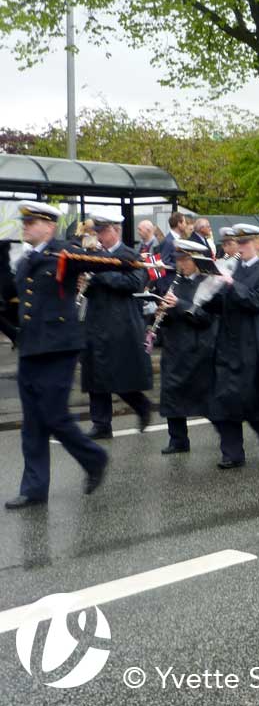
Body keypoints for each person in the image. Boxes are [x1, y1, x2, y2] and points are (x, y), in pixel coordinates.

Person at [5, 201, 109, 509]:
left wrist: (98, 246)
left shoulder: (64, 252)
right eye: (24, 223)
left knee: (54, 415)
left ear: (49, 226)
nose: (25, 227)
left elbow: (101, 261)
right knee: (33, 422)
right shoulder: (25, 260)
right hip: (31, 349)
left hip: (59, 347)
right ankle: (34, 488)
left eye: (31, 222)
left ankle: (94, 458)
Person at [205, 224, 259, 469]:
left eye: (246, 242)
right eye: (238, 243)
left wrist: (231, 284)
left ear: (258, 243)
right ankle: (232, 453)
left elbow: (258, 301)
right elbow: (220, 303)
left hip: (251, 341)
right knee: (222, 398)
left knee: (248, 398)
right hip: (228, 339)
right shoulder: (231, 268)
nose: (241, 247)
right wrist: (208, 292)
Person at [79, 212, 154, 439]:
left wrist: (100, 277)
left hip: (120, 322)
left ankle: (142, 406)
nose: (99, 236)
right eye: (97, 231)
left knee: (120, 374)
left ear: (116, 230)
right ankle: (101, 423)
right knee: (94, 373)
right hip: (96, 320)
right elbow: (92, 288)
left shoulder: (129, 255)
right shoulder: (94, 255)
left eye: (103, 231)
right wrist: (85, 282)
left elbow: (135, 282)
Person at [155, 239, 219, 454]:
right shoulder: (174, 283)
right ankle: (178, 439)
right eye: (178, 259)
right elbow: (168, 314)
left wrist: (180, 305)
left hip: (197, 348)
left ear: (196, 260)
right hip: (174, 346)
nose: (180, 264)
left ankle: (227, 438)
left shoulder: (208, 283)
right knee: (171, 393)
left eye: (185, 259)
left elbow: (207, 317)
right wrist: (159, 314)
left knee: (205, 397)